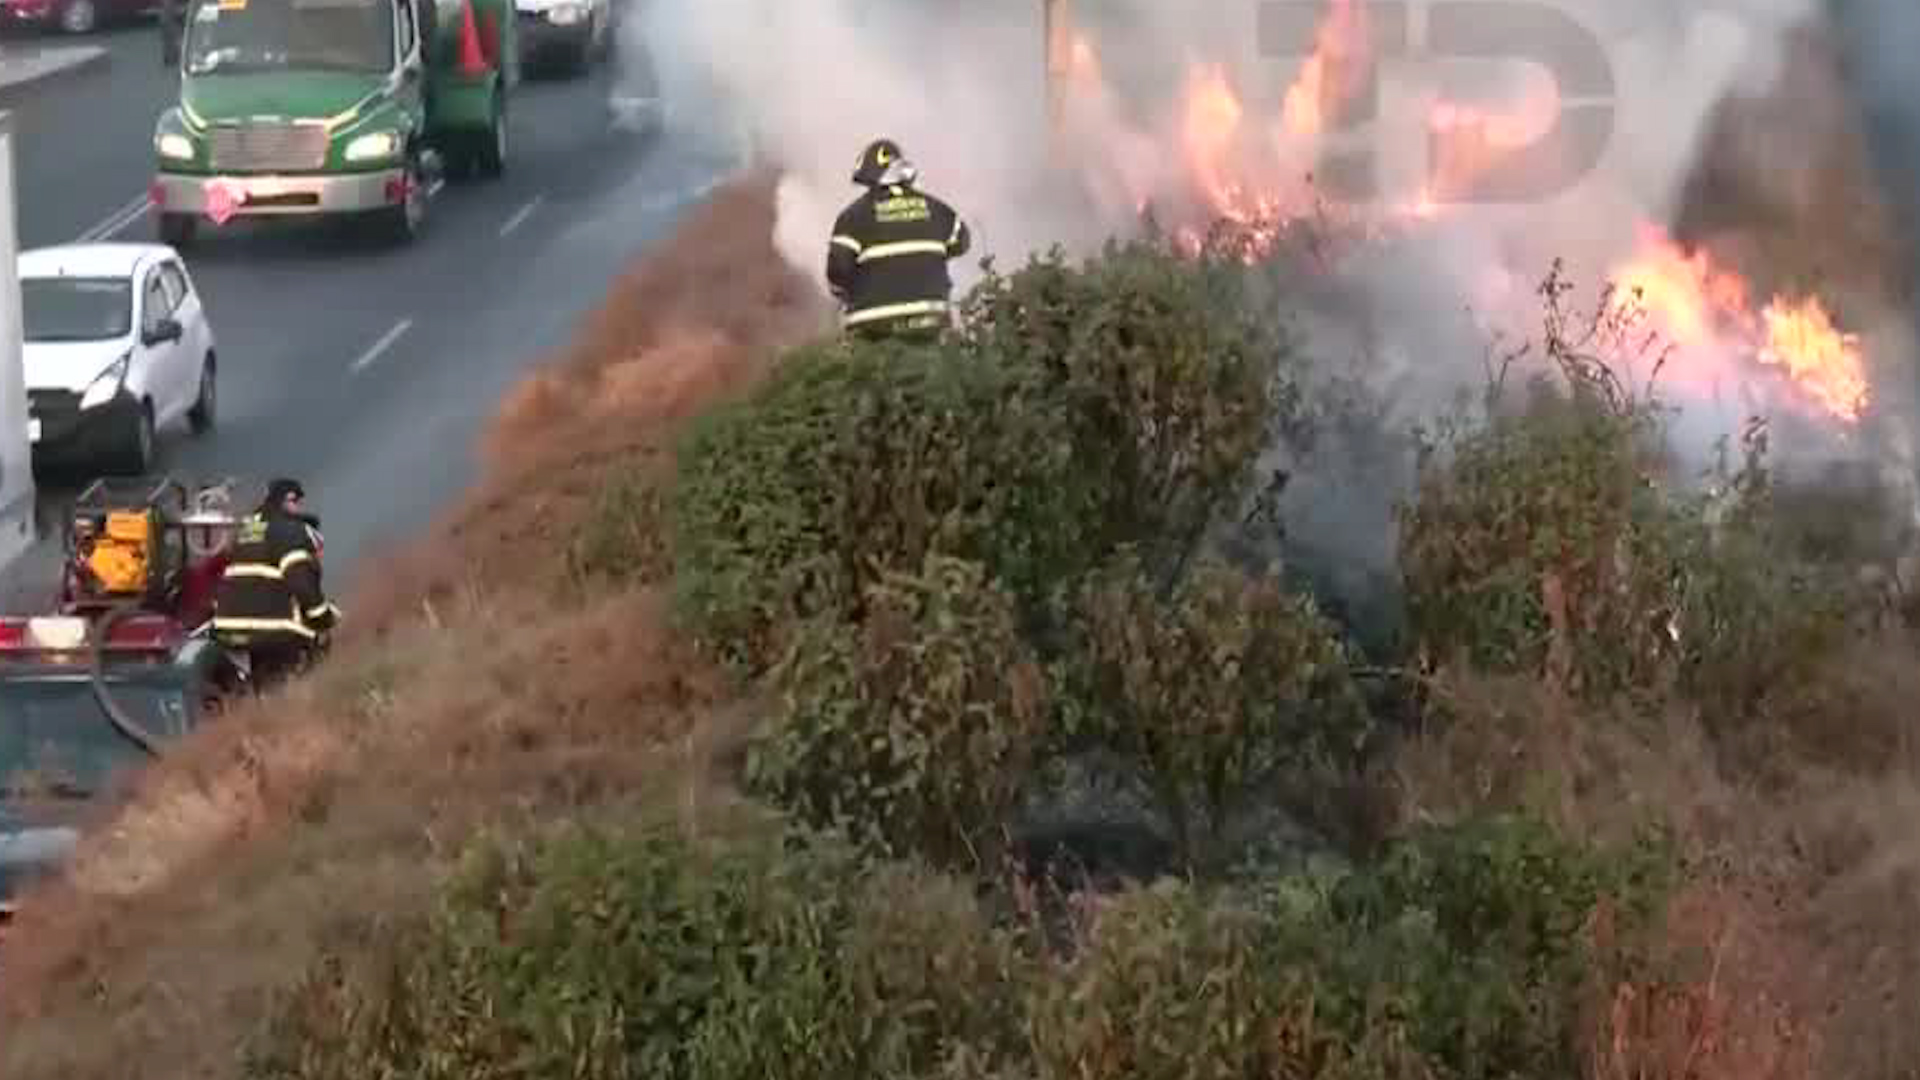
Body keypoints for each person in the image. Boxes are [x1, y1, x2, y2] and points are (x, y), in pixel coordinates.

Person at [826, 137, 972, 342]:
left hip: (873, 327)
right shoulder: (938, 209)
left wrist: (844, 291)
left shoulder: (853, 216)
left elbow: (838, 269)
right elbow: (962, 243)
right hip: (931, 319)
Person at [210, 478, 340, 690]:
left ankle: (254, 698)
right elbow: (303, 585)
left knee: (258, 677)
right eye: (297, 502)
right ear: (289, 500)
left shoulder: (247, 530)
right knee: (295, 667)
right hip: (273, 628)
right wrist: (324, 617)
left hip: (229, 628)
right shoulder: (292, 531)